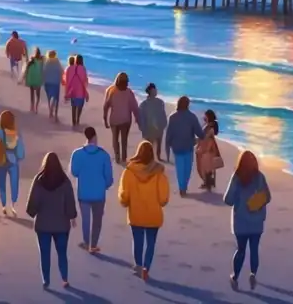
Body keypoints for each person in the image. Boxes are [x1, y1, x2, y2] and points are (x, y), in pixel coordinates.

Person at [118, 140, 170, 282]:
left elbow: (124, 194)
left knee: (137, 240)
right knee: (151, 243)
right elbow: (163, 198)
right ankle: (146, 267)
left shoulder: (129, 171)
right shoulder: (159, 173)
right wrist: (161, 202)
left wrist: (124, 202)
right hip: (153, 214)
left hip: (136, 213)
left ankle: (138, 265)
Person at [27, 153, 78, 289]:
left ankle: (46, 280)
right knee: (62, 252)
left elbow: (32, 203)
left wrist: (33, 212)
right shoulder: (65, 181)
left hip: (43, 225)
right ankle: (64, 278)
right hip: (62, 225)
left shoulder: (39, 180)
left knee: (44, 254)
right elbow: (70, 202)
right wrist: (72, 216)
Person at [224, 150, 271, 291]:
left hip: (240, 222)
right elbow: (268, 197)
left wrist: (239, 201)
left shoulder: (237, 177)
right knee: (254, 249)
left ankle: (235, 276)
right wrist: (257, 202)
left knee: (241, 250)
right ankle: (253, 274)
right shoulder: (260, 177)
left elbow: (228, 200)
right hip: (257, 221)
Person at [70, 126, 114, 253]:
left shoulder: (77, 154)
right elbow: (109, 177)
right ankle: (93, 245)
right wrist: (105, 185)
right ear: (95, 137)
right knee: (97, 220)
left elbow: (74, 172)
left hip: (83, 192)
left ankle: (86, 241)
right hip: (99, 193)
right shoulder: (104, 155)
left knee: (85, 219)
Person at [165, 96, 204, 195]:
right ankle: (184, 187)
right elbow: (199, 132)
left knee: (180, 168)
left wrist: (167, 145)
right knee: (187, 168)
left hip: (176, 146)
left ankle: (182, 188)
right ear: (188, 105)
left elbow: (169, 133)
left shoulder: (173, 117)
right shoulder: (192, 117)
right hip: (188, 146)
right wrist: (203, 135)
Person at [0, 110, 26, 217]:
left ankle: (4, 205)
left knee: (1, 184)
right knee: (14, 183)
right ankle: (13, 204)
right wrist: (18, 158)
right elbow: (20, 152)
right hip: (12, 161)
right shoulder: (15, 133)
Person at [103, 72, 140, 164]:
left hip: (115, 120)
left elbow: (106, 106)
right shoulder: (129, 92)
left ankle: (118, 157)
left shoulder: (111, 90)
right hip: (126, 120)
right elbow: (134, 107)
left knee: (115, 139)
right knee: (124, 140)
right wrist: (137, 117)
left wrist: (105, 118)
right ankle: (123, 158)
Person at [138, 83, 168, 161]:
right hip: (149, 128)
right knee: (149, 145)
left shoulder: (160, 102)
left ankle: (158, 157)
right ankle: (149, 159)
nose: (156, 91)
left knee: (159, 143)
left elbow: (163, 114)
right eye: (154, 90)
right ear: (150, 91)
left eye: (156, 90)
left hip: (159, 127)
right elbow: (141, 118)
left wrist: (164, 124)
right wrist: (142, 128)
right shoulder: (144, 104)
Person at [196, 109, 222, 191]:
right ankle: (208, 183)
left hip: (207, 149)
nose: (204, 117)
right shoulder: (209, 126)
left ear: (208, 117)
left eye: (205, 116)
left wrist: (202, 147)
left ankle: (207, 184)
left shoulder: (209, 127)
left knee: (204, 168)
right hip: (207, 149)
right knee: (206, 168)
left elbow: (208, 138)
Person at [64, 55, 90, 129]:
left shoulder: (70, 68)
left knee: (73, 106)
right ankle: (78, 119)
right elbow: (85, 80)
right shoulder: (83, 68)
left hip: (73, 90)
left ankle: (73, 121)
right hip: (81, 90)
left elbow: (67, 80)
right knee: (80, 106)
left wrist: (67, 91)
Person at [42, 50, 64, 122]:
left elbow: (43, 72)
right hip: (55, 82)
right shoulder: (57, 62)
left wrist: (43, 81)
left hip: (47, 82)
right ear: (55, 55)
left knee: (49, 97)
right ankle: (56, 115)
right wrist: (61, 79)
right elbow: (61, 71)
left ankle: (50, 112)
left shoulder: (46, 62)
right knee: (56, 99)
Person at [23, 48, 44, 114]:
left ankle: (31, 107)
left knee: (32, 94)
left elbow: (27, 68)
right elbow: (42, 69)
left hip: (32, 79)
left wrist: (25, 76)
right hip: (38, 79)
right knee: (38, 95)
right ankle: (36, 108)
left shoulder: (32, 59)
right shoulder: (41, 60)